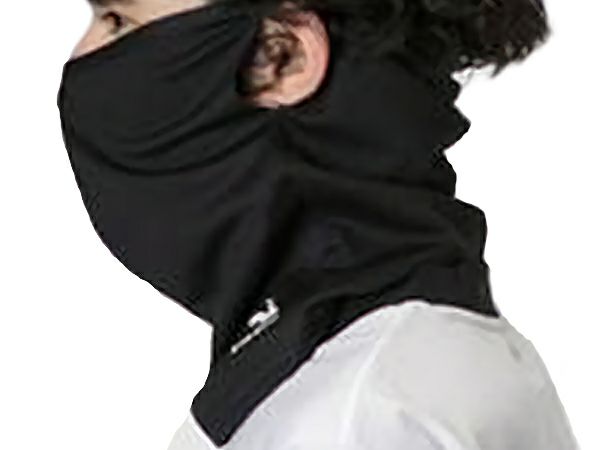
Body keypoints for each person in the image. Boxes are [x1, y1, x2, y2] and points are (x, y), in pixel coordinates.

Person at [57, 0, 580, 449]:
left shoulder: (365, 409)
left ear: (281, 57)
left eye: (118, 20)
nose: (80, 57)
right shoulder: (400, 351)